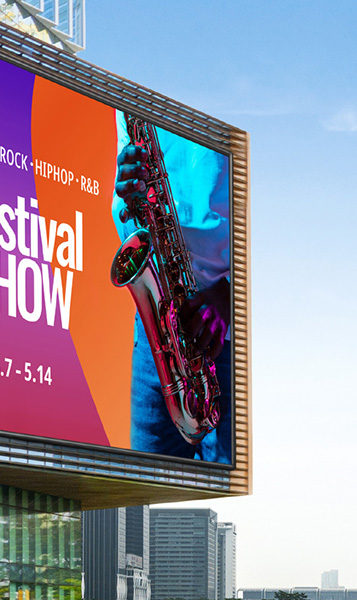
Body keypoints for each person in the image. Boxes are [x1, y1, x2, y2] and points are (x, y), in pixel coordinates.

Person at [112, 111, 233, 464]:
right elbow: (130, 215)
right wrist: (129, 198)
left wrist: (231, 292)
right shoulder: (133, 108)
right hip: (160, 322)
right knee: (144, 488)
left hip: (226, 332)